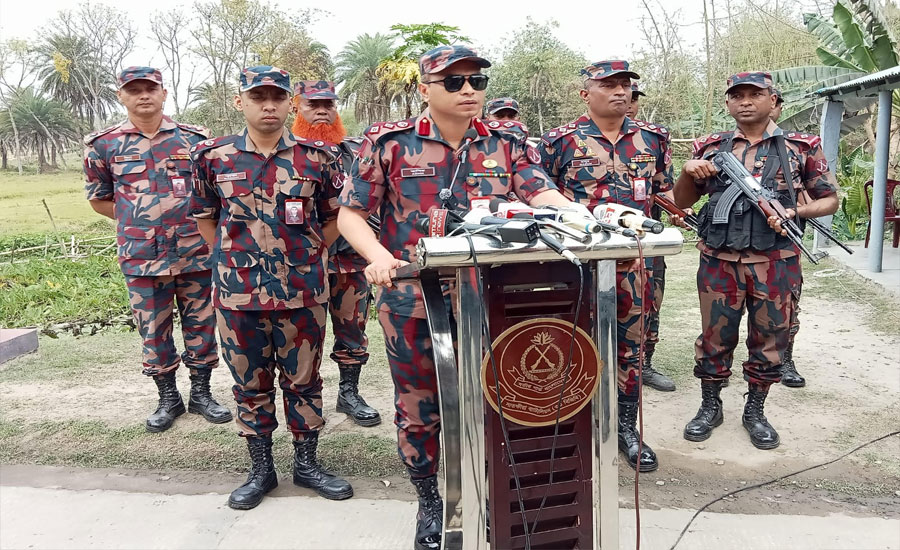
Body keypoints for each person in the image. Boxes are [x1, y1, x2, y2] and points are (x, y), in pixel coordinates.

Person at [337, 44, 580, 550]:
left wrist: (579, 215)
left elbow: (540, 193)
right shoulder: (390, 144)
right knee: (421, 405)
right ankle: (433, 500)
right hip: (413, 298)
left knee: (496, 395)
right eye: (454, 82)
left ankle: (494, 493)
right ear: (425, 89)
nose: (469, 90)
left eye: (476, 81)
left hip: (492, 298)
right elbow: (352, 214)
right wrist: (378, 257)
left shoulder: (507, 144)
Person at [191, 66, 353, 510]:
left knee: (304, 380)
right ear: (239, 101)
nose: (268, 105)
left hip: (302, 292)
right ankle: (261, 470)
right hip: (237, 294)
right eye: (258, 96)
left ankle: (307, 465)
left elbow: (335, 217)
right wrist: (237, 258)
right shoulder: (212, 156)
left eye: (277, 97)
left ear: (290, 104)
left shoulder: (317, 158)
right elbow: (206, 218)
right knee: (249, 383)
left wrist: (306, 253)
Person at [673, 71, 838, 449]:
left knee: (770, 338)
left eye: (754, 94)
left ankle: (756, 410)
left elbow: (830, 197)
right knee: (715, 337)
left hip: (776, 261)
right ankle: (710, 405)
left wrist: (796, 212)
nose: (745, 101)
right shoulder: (710, 146)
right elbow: (681, 201)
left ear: (772, 100)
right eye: (737, 96)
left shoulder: (800, 146)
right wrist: (687, 171)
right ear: (728, 103)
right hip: (719, 260)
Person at [540, 60, 672, 473]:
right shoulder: (558, 142)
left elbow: (667, 195)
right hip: (575, 263)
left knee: (630, 348)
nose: (621, 91)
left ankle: (625, 430)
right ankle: (567, 427)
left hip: (636, 264)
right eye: (609, 85)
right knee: (568, 342)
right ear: (586, 94)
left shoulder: (653, 139)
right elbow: (537, 200)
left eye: (626, 85)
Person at [83, 66, 231, 433]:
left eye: (150, 88)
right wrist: (139, 218)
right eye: (134, 90)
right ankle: (168, 398)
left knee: (202, 325)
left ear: (164, 93)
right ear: (121, 96)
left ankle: (201, 394)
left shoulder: (194, 140)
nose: (143, 95)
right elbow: (99, 199)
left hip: (195, 253)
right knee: (153, 332)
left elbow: (212, 194)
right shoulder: (105, 145)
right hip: (142, 258)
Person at [291, 80, 381, 427]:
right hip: (304, 262)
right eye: (313, 104)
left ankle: (349, 393)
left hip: (351, 261)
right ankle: (306, 401)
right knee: (302, 337)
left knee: (353, 331)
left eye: (328, 103)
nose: (322, 110)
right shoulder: (288, 155)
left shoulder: (358, 151)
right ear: (298, 107)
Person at [626, 81, 677, 393]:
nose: (629, 103)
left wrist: (675, 210)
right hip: (598, 240)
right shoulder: (579, 140)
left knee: (650, 301)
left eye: (634, 98)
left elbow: (664, 184)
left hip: (648, 239)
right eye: (624, 97)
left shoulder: (653, 137)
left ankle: (644, 364)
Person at [769, 87, 805, 388]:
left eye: (776, 103)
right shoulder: (727, 146)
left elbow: (821, 195)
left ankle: (786, 358)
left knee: (787, 309)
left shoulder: (796, 147)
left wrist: (794, 209)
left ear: (777, 105)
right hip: (736, 248)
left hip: (783, 247)